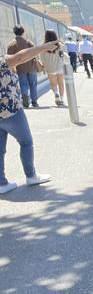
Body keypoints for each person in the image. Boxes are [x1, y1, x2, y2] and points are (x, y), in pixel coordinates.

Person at [0, 38, 56, 194]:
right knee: (26, 142)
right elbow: (20, 57)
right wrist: (43, 47)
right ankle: (31, 176)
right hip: (11, 111)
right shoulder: (3, 62)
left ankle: (1, 183)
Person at [6, 25, 39, 108]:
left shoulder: (11, 44)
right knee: (33, 84)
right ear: (23, 32)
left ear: (14, 32)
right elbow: (35, 54)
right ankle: (34, 102)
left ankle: (25, 98)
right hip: (31, 67)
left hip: (20, 68)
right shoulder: (29, 42)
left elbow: (9, 59)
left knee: (23, 84)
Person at [40, 30, 67, 107]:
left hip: (50, 68)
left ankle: (56, 93)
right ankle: (62, 99)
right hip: (59, 67)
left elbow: (42, 58)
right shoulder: (59, 45)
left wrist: (44, 67)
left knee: (53, 83)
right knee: (61, 83)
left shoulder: (43, 46)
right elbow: (62, 54)